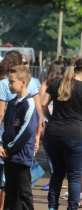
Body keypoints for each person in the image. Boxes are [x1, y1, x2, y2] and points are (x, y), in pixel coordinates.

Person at [0, 65, 38, 210]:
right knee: (9, 188)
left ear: (23, 82)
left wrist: (9, 148)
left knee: (24, 190)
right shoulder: (11, 103)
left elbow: (26, 131)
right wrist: (0, 144)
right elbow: (5, 127)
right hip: (8, 153)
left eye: (12, 81)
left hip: (21, 155)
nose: (9, 84)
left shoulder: (29, 104)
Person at [42, 56, 82, 210]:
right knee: (74, 176)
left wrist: (51, 119)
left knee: (57, 173)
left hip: (53, 133)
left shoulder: (57, 83)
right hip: (75, 134)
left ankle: (52, 208)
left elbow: (43, 104)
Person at [38, 61, 65, 191]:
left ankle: (54, 179)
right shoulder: (66, 85)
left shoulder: (46, 84)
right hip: (64, 121)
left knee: (50, 154)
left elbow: (41, 104)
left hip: (50, 120)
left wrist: (46, 118)